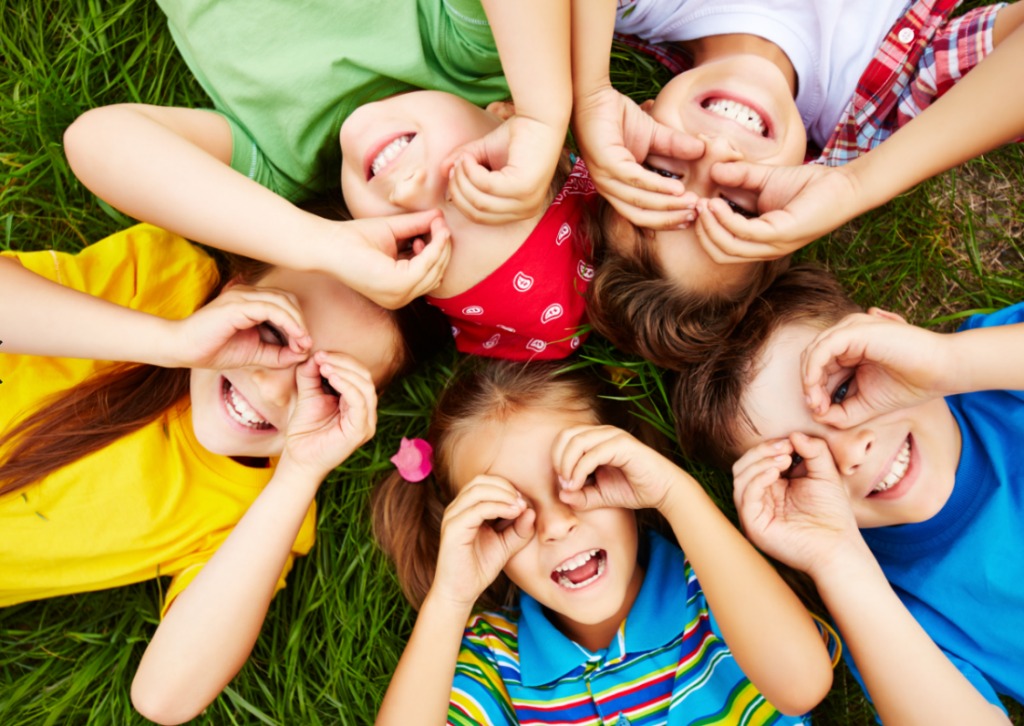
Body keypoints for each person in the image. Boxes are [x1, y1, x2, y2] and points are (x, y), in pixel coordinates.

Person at [0, 222, 437, 725]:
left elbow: (165, 697)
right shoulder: (163, 283)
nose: (273, 391)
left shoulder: (263, 508)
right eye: (272, 333)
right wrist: (173, 341)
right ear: (236, 290)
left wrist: (299, 473)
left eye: (327, 385)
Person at [64, 0, 599, 360]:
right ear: (503, 117)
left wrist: (320, 243)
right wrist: (543, 111)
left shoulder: (281, 167)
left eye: (413, 241)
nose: (410, 189)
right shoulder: (468, 51)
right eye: (478, 176)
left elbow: (98, 140)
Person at [371, 360, 834, 724]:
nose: (555, 525)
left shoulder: (718, 588)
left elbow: (804, 685)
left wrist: (675, 494)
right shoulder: (498, 662)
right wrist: (450, 597)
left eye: (581, 478)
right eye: (506, 513)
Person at [571, 0, 1024, 367]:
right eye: (736, 207)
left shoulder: (633, 10)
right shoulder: (884, 109)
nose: (716, 154)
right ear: (791, 211)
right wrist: (854, 184)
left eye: (663, 176)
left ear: (637, 121)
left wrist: (589, 89)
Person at [671, 264, 1023, 721]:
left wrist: (948, 363)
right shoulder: (882, 604)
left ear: (893, 338)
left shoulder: (994, 369)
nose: (850, 452)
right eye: (798, 461)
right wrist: (838, 561)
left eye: (842, 392)